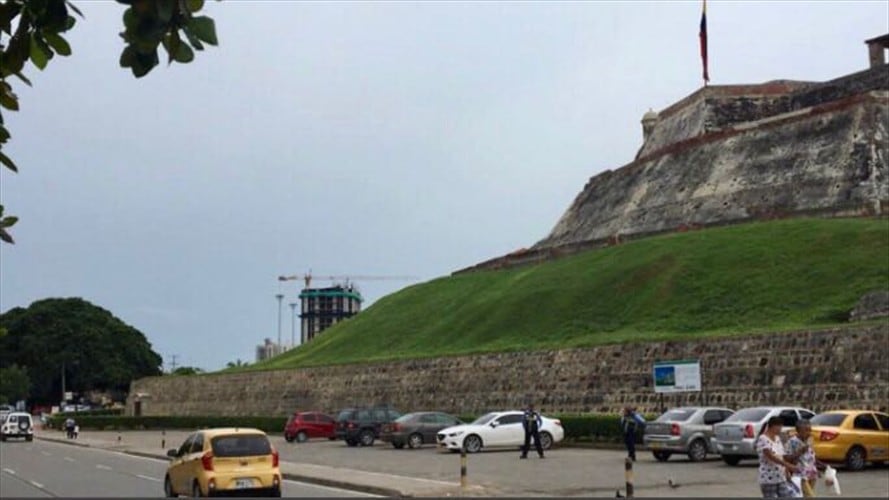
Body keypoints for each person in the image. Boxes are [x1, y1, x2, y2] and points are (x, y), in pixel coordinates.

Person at [756, 416, 798, 498]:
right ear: (773, 426)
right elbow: (770, 456)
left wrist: (786, 471)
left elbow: (781, 456)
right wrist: (788, 465)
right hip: (768, 477)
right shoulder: (763, 439)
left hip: (780, 476)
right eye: (779, 427)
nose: (780, 430)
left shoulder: (777, 438)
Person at [785, 420, 826, 497]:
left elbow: (811, 455)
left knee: (805, 496)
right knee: (810, 496)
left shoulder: (810, 439)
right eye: (806, 430)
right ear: (798, 431)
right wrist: (800, 451)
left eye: (810, 430)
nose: (809, 432)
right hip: (800, 474)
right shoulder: (792, 442)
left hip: (811, 474)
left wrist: (819, 466)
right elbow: (786, 458)